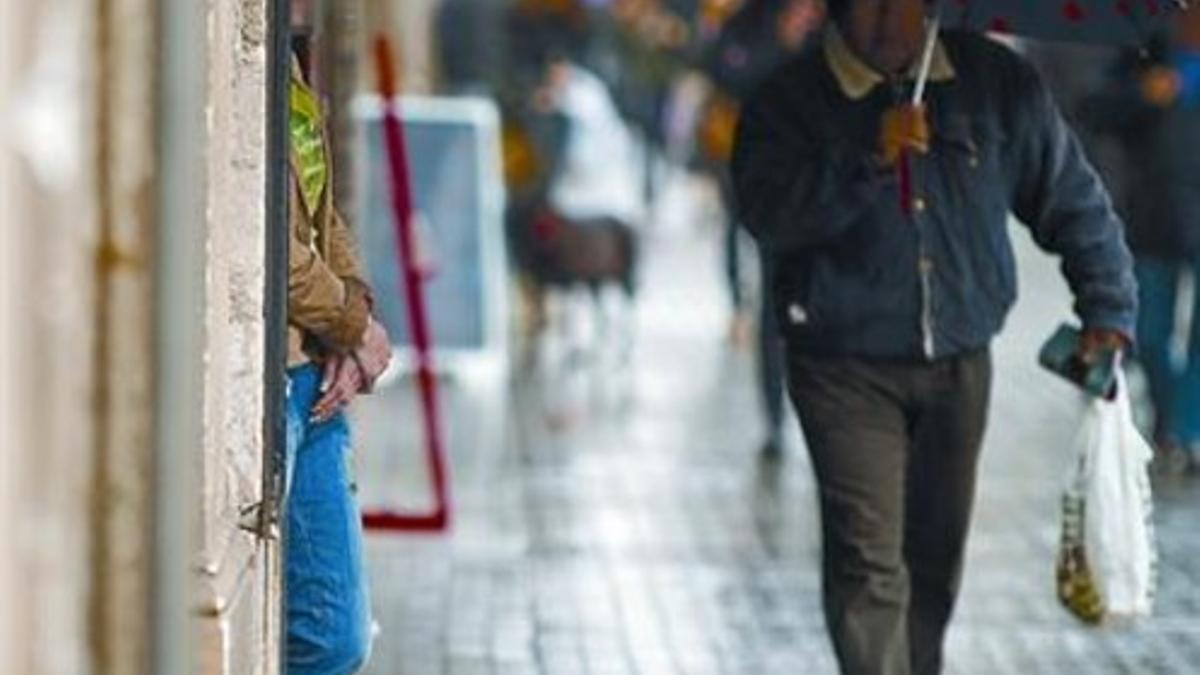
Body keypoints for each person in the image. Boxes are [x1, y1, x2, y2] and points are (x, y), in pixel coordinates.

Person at [731, 1, 1137, 673]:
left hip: (959, 358)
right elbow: (769, 213)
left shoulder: (993, 83)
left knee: (933, 560)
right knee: (867, 559)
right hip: (841, 365)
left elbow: (1071, 198)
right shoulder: (789, 99)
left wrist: (1107, 306)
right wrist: (869, 156)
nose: (892, 20)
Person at [284, 2, 393, 671]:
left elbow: (328, 222)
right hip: (287, 374)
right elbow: (263, 238)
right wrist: (351, 327)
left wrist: (356, 319)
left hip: (316, 381)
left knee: (340, 636)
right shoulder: (248, 81)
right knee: (325, 639)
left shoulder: (295, 75)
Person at [697, 0, 824, 457]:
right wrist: (781, 45)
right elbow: (725, 74)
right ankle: (774, 418)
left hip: (829, 190)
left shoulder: (839, 25)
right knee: (776, 305)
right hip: (763, 185)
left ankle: (821, 413)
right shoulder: (746, 24)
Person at [1081, 8, 1200, 472]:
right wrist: (1144, 95)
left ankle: (1182, 431)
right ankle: (1176, 421)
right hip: (1155, 215)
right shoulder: (1146, 46)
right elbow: (1095, 109)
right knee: (1147, 332)